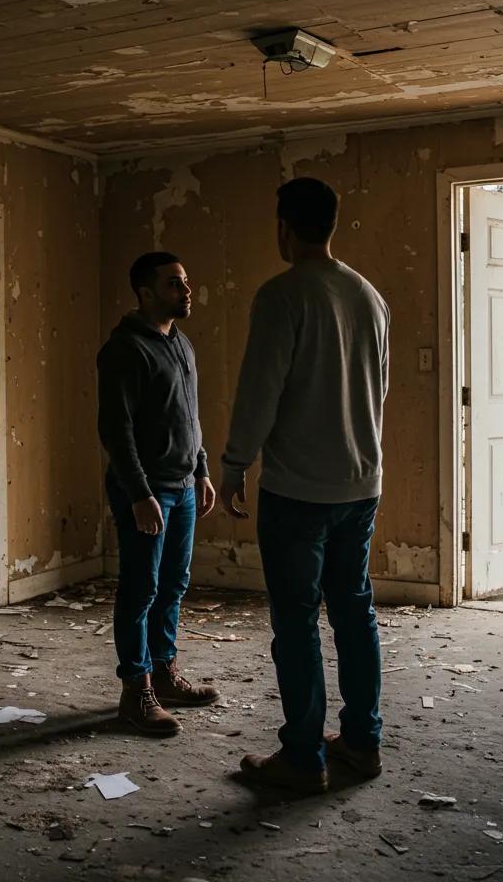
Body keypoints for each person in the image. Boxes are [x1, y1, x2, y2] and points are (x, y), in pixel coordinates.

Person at [220, 177, 390, 793]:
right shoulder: (368, 296)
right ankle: (362, 743)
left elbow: (259, 390)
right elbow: (378, 391)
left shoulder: (283, 295)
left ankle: (302, 758)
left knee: (296, 622)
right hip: (360, 483)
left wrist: (235, 462)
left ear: (284, 226)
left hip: (298, 491)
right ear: (332, 225)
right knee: (354, 612)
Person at [97, 251, 220, 736]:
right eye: (174, 284)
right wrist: (140, 494)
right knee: (140, 590)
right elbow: (116, 430)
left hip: (184, 486)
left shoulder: (181, 343)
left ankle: (164, 673)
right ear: (146, 293)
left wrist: (203, 470)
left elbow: (189, 415)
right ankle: (136, 692)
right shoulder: (124, 349)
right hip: (147, 492)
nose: (186, 291)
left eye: (185, 282)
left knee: (172, 585)